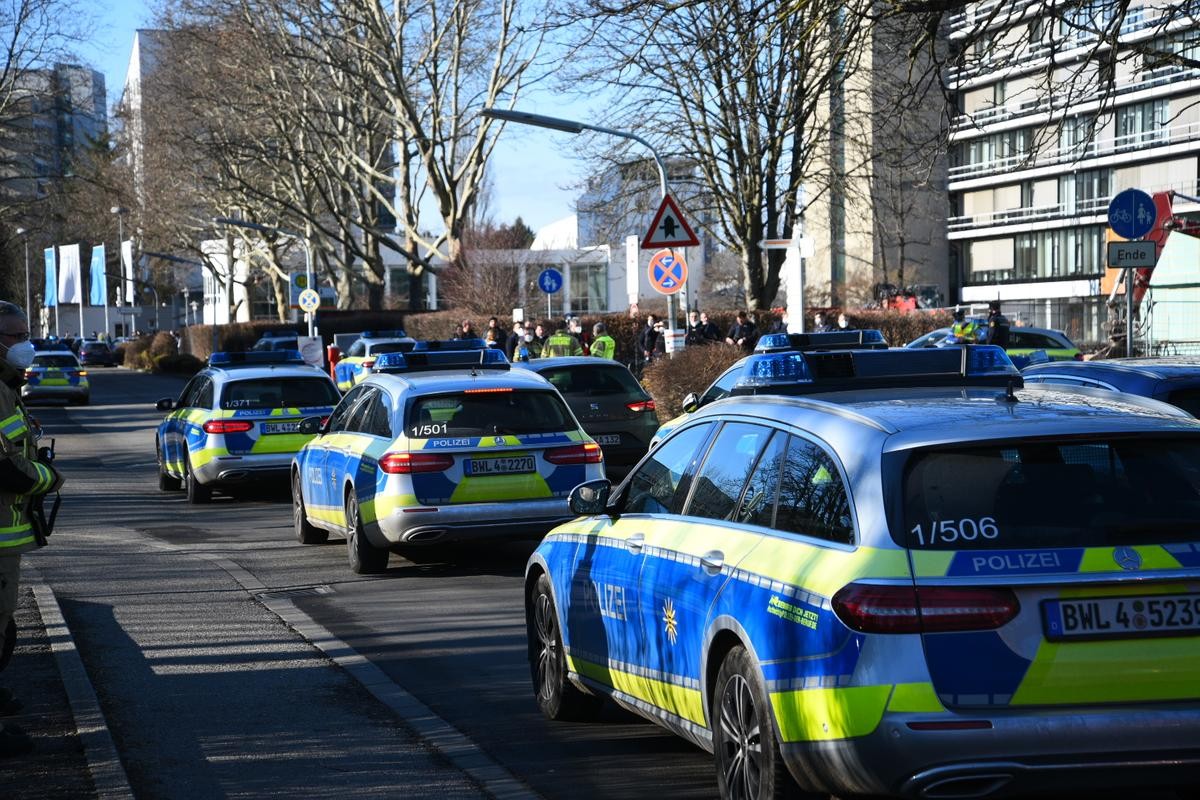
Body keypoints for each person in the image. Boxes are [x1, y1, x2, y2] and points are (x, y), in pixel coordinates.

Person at [0, 301, 64, 757]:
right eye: (13, 336)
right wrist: (49, 478)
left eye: (26, 334)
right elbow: (5, 469)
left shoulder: (6, 386)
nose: (24, 344)